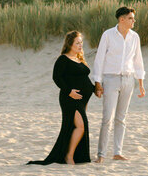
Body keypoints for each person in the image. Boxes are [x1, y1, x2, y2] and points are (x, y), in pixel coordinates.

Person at [28, 30, 97, 165]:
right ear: (70, 44)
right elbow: (57, 78)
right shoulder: (63, 59)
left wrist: (94, 89)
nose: (80, 45)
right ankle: (69, 156)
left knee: (76, 126)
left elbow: (84, 79)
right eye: (77, 43)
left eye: (81, 43)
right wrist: (69, 91)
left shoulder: (79, 59)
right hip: (70, 99)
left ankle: (76, 156)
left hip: (83, 100)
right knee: (81, 126)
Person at [91, 6, 146, 162]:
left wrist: (140, 83)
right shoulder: (108, 35)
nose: (133, 20)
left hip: (128, 80)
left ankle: (117, 152)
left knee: (121, 118)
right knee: (107, 117)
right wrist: (97, 82)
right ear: (121, 19)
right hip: (110, 79)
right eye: (130, 18)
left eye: (133, 18)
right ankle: (101, 155)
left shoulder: (135, 37)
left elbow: (138, 60)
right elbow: (99, 59)